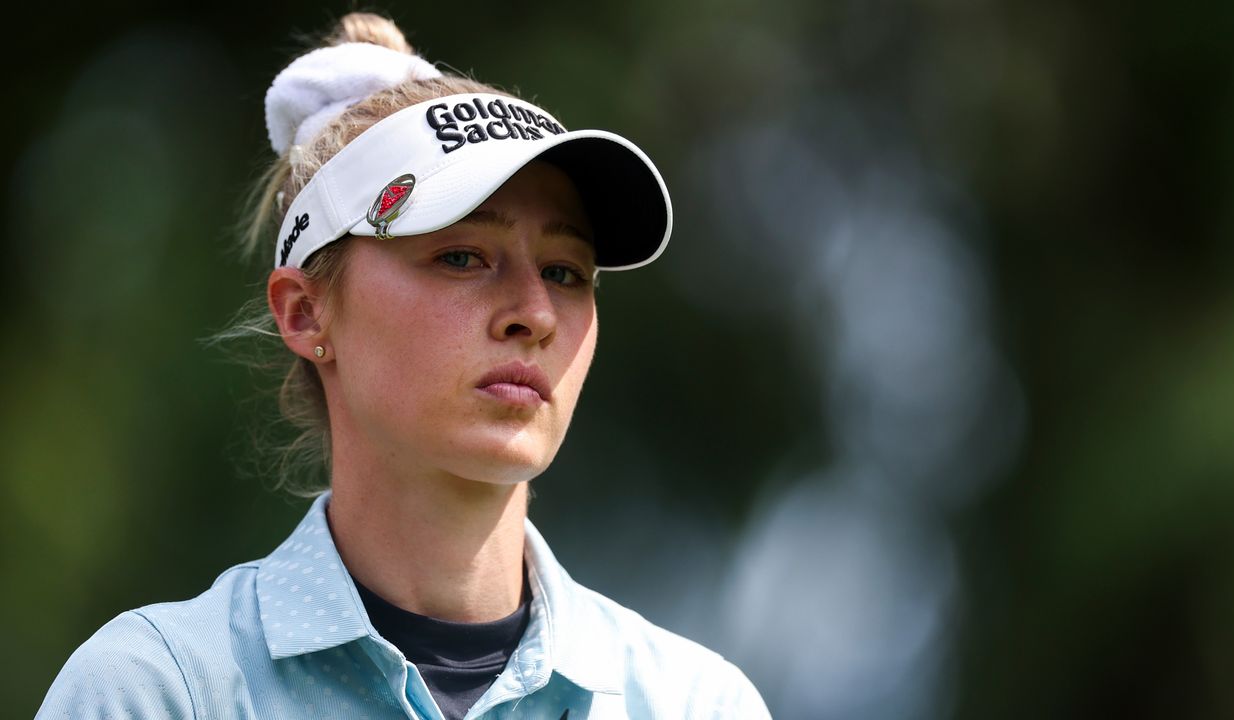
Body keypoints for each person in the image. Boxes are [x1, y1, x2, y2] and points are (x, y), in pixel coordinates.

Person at [35, 12, 769, 720]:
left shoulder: (697, 705)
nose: (535, 313)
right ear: (304, 312)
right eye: (460, 256)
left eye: (566, 271)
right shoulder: (160, 692)